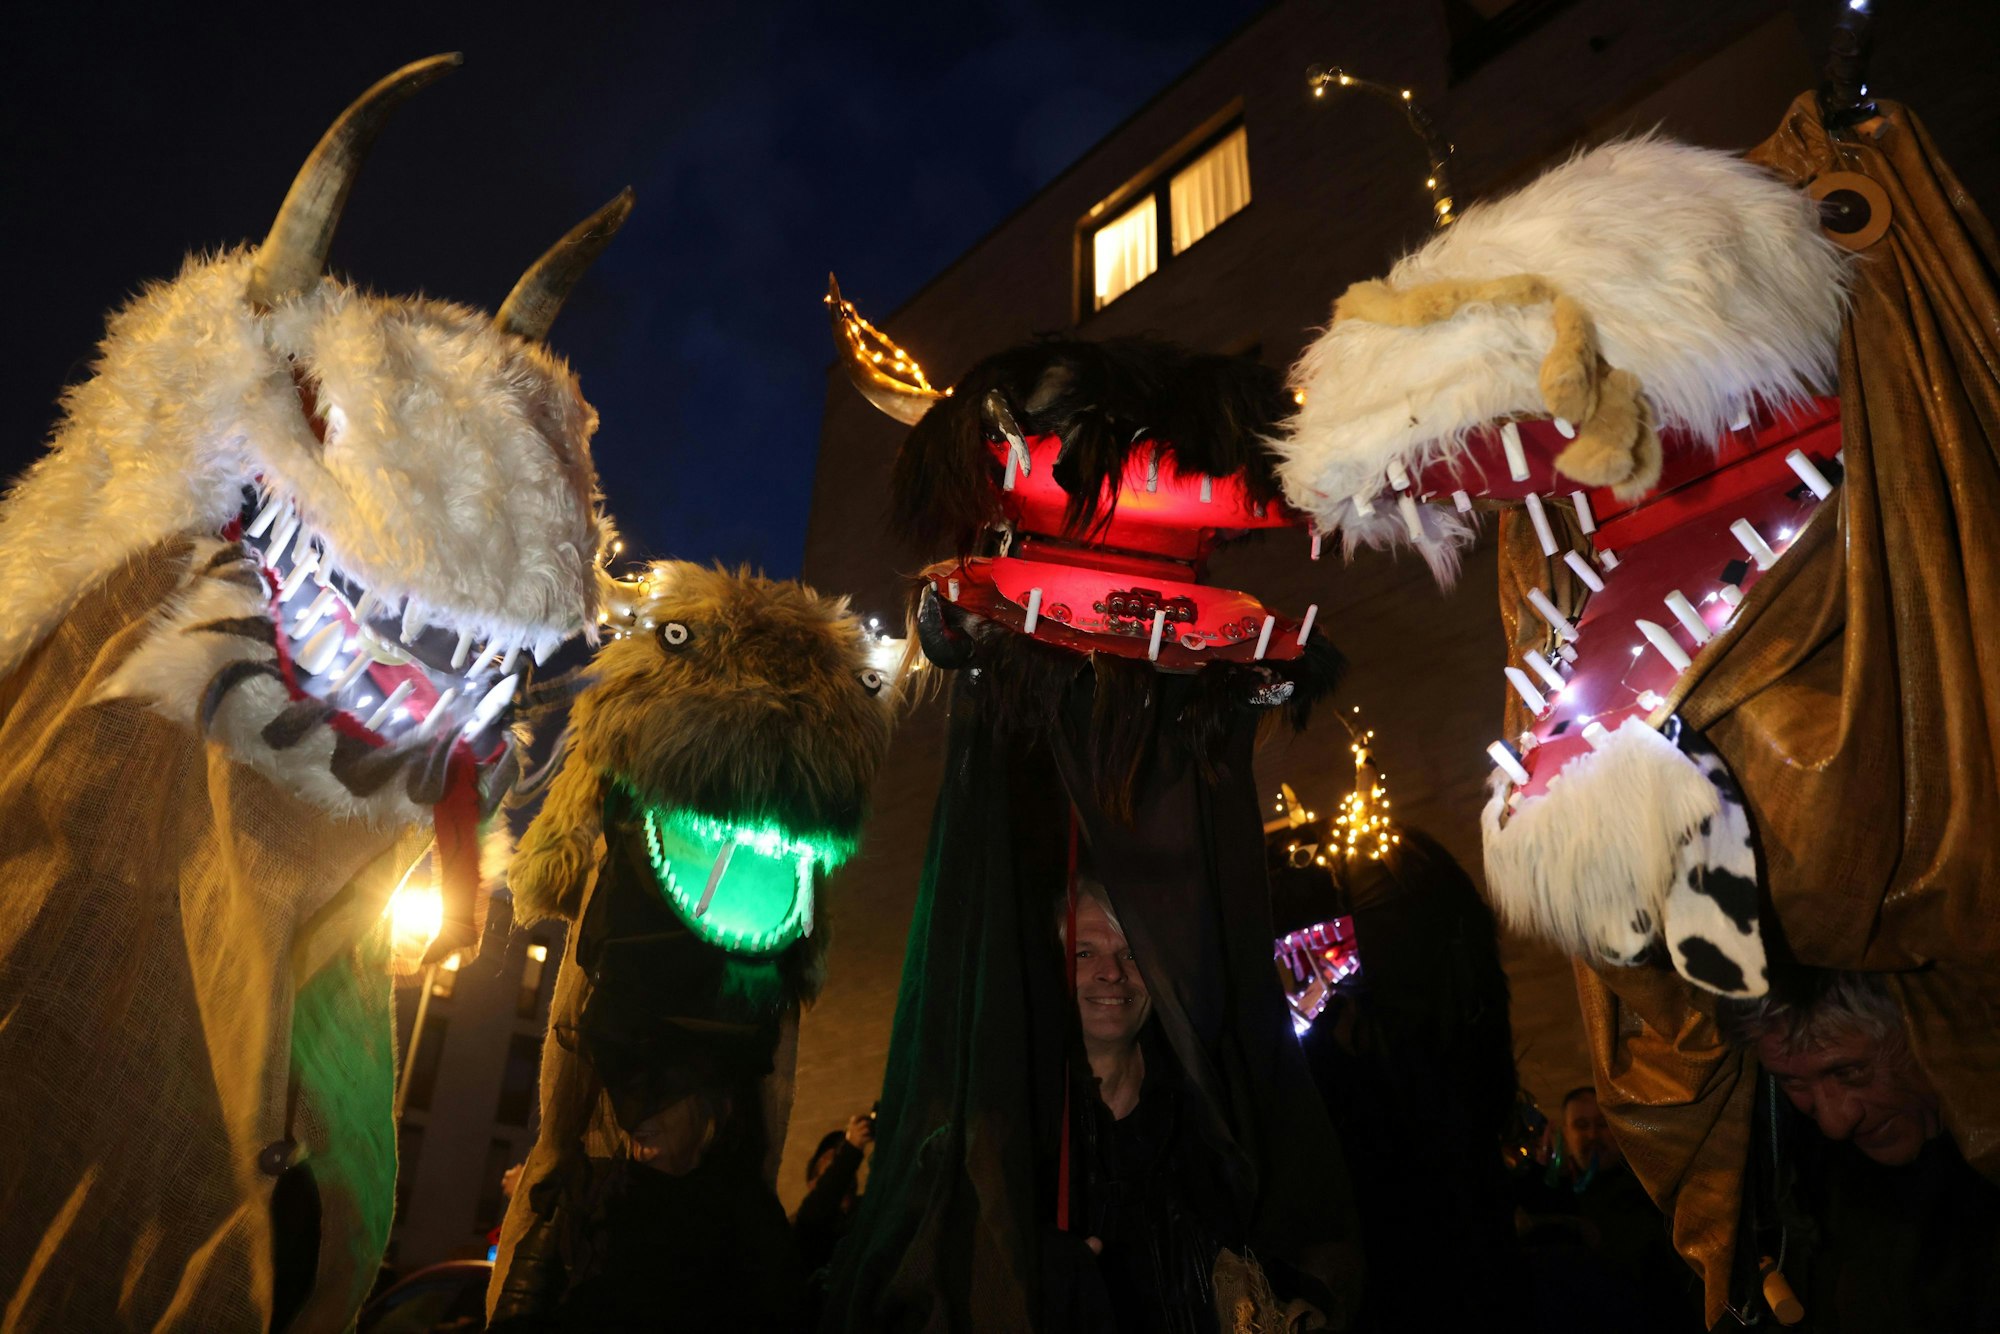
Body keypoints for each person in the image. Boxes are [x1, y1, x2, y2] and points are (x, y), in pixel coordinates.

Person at [1718, 970, 2000, 1329]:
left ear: (1923, 1032)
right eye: (1792, 1081)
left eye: (1851, 1072)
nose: (1834, 1123)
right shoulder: (1821, 1176)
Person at [794, 1110, 874, 1276]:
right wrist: (852, 1148)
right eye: (831, 1163)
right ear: (812, 1184)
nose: (836, 1162)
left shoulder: (868, 1209)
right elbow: (824, 1197)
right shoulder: (806, 1222)